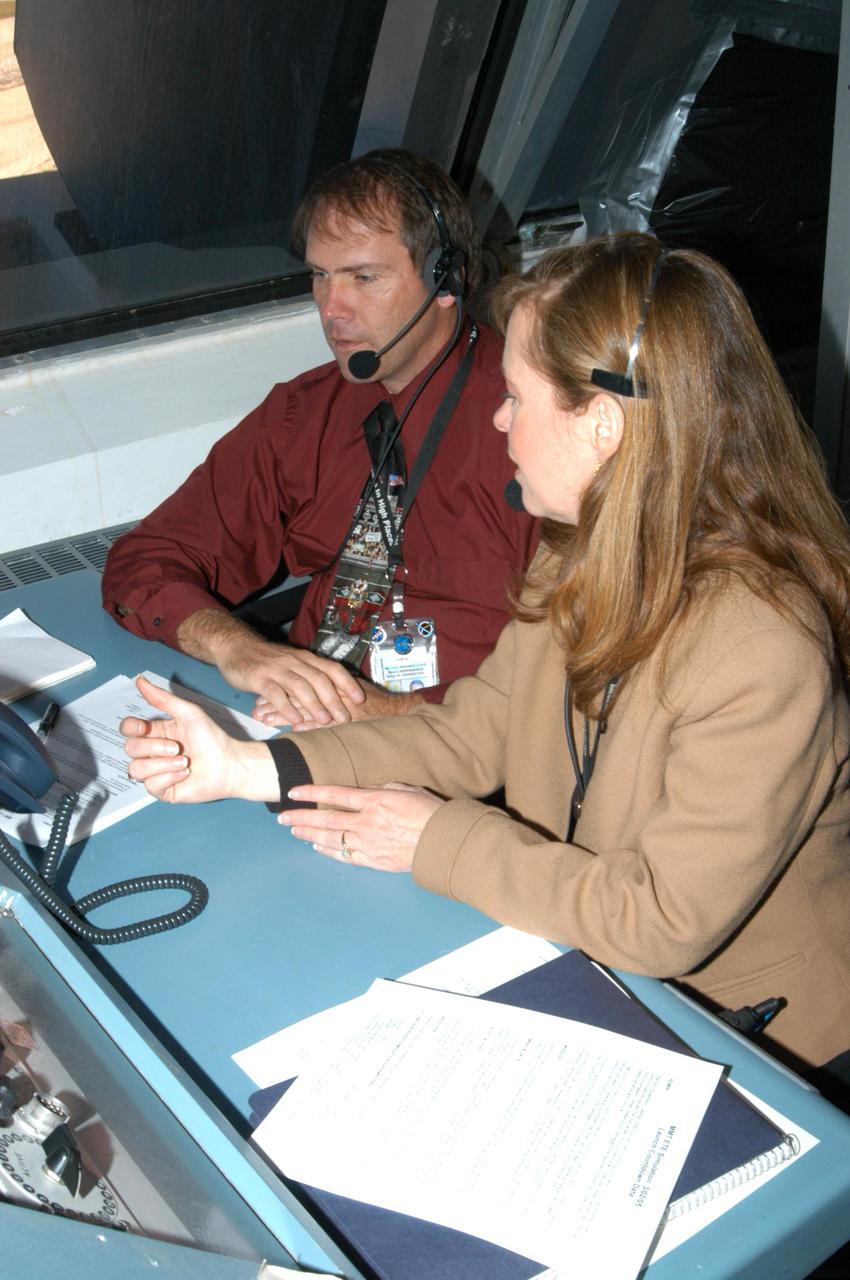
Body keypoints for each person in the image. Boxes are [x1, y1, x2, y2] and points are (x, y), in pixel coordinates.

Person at [120, 231, 850, 1083]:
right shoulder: (579, 552)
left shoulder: (760, 645)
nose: (498, 419)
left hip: (749, 1039)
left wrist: (437, 837)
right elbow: (476, 733)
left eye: (515, 396)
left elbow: (660, 922)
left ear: (602, 425)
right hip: (592, 962)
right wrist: (250, 767)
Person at [102, 149, 538, 730]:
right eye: (319, 276)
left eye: (363, 277)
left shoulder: (536, 431)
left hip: (453, 755)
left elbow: (570, 697)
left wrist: (381, 714)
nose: (333, 310)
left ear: (446, 279)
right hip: (294, 722)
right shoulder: (306, 412)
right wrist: (241, 650)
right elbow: (144, 562)